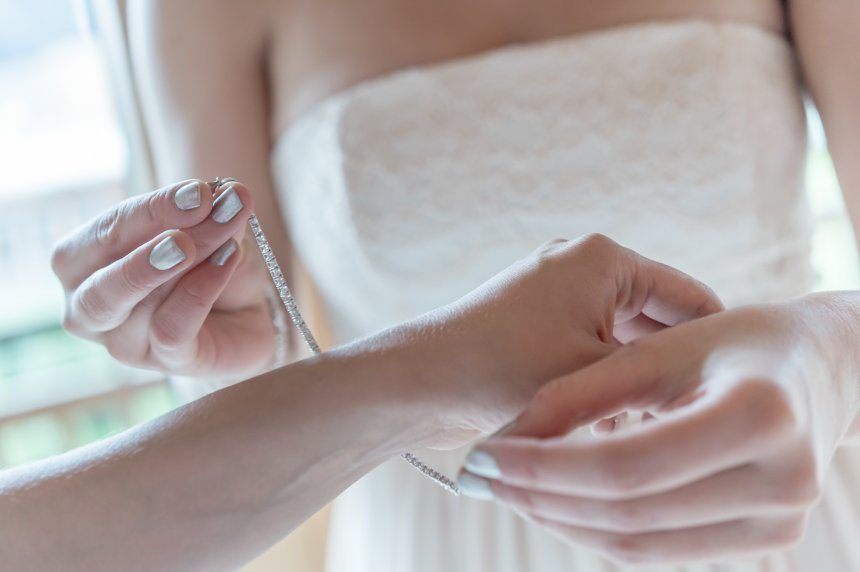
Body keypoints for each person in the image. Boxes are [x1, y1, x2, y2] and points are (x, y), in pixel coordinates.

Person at [64, 0, 860, 569]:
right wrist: (212, 350)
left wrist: (832, 361)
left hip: (785, 512)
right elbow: (248, 352)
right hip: (433, 538)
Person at [13, 181, 721, 571]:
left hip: (747, 474)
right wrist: (252, 331)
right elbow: (270, 335)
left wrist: (800, 358)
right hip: (425, 531)